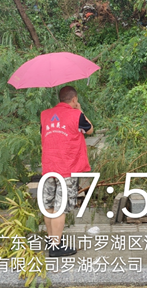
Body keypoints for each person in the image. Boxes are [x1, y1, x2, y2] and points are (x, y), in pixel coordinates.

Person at [40, 86, 94, 257]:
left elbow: (44, 134)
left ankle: (52, 240)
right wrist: (80, 110)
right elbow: (90, 129)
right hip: (66, 169)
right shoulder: (76, 115)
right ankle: (56, 247)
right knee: (60, 208)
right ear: (74, 99)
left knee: (49, 206)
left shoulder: (45, 115)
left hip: (48, 167)